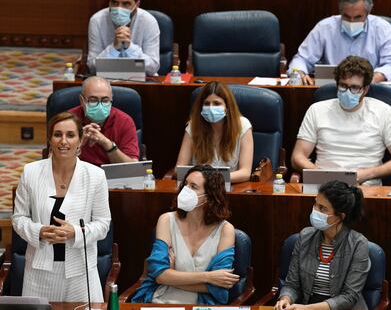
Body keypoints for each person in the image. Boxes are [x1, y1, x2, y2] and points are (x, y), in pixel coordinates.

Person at [12, 112, 111, 302]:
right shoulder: (31, 172)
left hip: (81, 273)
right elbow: (18, 219)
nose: (63, 141)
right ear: (50, 139)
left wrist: (74, 232)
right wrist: (39, 230)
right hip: (39, 272)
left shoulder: (96, 176)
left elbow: (103, 224)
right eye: (57, 134)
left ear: (80, 140)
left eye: (70, 135)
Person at [291, 56, 391, 185]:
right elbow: (297, 157)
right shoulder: (317, 110)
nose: (348, 92)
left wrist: (368, 174)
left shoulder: (384, 112)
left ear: (365, 89)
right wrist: (321, 175)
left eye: (354, 88)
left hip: (366, 187)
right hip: (324, 187)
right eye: (343, 86)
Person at [131, 165, 240, 304]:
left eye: (193, 186)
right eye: (185, 184)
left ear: (209, 196)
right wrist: (209, 277)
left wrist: (171, 276)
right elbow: (159, 275)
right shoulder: (166, 220)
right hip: (161, 300)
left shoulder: (225, 230)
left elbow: (219, 288)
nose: (185, 190)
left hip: (200, 305)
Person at [275, 180, 370, 310]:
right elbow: (292, 284)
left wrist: (308, 309)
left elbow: (349, 296)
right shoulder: (305, 237)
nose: (315, 211)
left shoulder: (358, 244)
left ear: (340, 216)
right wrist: (285, 299)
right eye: (315, 204)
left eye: (322, 208)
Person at [288, 0, 391, 84]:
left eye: (358, 17)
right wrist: (299, 73)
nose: (352, 21)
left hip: (371, 91)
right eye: (347, 16)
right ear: (340, 11)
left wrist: (374, 77)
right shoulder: (324, 27)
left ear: (368, 13)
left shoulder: (383, 29)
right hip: (331, 91)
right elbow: (301, 59)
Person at [176, 81, 254, 183]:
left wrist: (211, 180)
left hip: (230, 188)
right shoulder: (193, 126)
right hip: (199, 189)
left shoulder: (243, 126)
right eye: (206, 104)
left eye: (217, 103)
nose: (211, 108)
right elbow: (179, 170)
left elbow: (245, 173)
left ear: (227, 108)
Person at [70, 76, 139, 166]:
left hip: (113, 177)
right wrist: (78, 144)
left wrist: (108, 144)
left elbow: (133, 167)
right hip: (78, 176)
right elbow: (54, 162)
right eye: (93, 100)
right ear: (82, 100)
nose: (100, 105)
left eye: (105, 100)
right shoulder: (68, 120)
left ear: (111, 99)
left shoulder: (125, 121)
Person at [87, 0, 160, 75]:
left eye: (126, 3)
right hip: (105, 79)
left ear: (137, 4)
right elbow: (92, 68)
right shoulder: (97, 21)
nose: (119, 9)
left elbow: (153, 68)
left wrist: (129, 48)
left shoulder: (149, 21)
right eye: (114, 2)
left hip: (143, 80)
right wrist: (114, 48)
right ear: (109, 2)